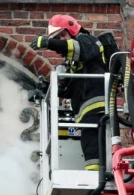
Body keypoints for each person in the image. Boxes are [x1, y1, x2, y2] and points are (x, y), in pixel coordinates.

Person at [31, 15, 108, 171]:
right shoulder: (73, 63)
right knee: (88, 144)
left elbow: (78, 48)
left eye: (62, 35)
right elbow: (67, 90)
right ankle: (94, 176)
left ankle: (96, 177)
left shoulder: (88, 41)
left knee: (92, 145)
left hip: (96, 106)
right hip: (84, 112)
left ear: (72, 30)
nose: (60, 40)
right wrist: (47, 88)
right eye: (57, 38)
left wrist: (48, 43)